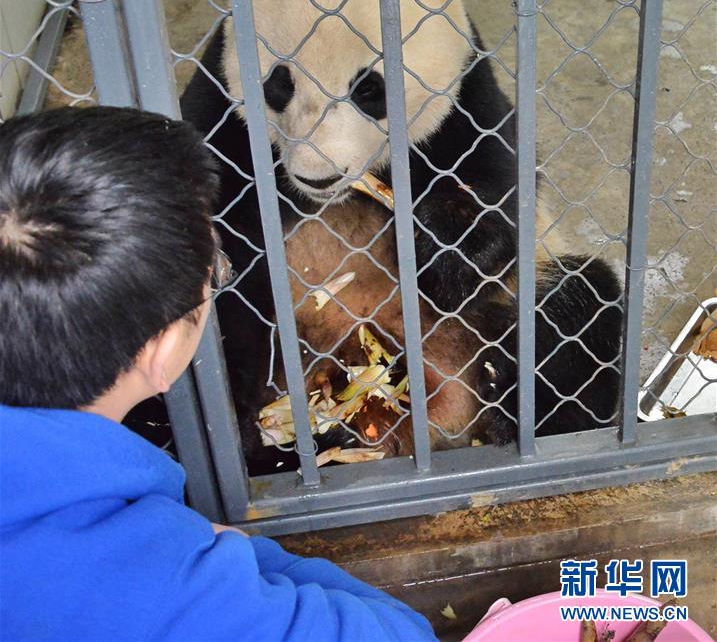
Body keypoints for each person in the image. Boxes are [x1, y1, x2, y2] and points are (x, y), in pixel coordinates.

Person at [0, 106, 436, 642]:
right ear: (160, 350)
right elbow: (403, 634)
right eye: (216, 272)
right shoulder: (162, 589)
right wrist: (228, 553)